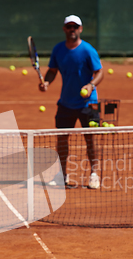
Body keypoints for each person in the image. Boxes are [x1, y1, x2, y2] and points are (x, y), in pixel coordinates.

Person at [39, 14, 104, 189]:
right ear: (64, 29)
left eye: (75, 27)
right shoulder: (59, 49)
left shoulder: (88, 50)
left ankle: (94, 174)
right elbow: (52, 71)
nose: (72, 30)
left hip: (88, 103)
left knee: (90, 140)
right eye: (69, 27)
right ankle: (62, 175)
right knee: (62, 140)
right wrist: (46, 81)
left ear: (80, 29)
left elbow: (100, 72)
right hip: (66, 103)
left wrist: (91, 85)